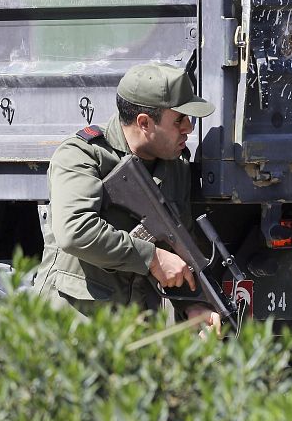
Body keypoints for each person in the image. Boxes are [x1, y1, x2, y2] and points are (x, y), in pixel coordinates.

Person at [32, 62, 221, 337]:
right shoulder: (83, 155)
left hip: (133, 331)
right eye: (179, 119)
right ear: (144, 122)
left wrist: (193, 305)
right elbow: (75, 231)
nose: (189, 128)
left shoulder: (176, 169)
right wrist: (152, 258)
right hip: (72, 327)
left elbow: (179, 245)